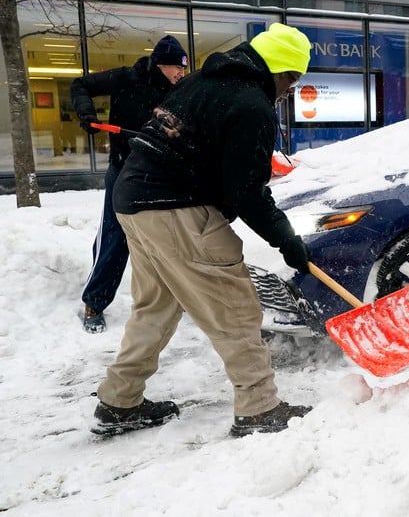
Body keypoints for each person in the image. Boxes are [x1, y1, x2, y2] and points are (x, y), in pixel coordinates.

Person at [91, 23, 314, 438]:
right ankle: (259, 408)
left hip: (134, 201)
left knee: (155, 307)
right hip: (175, 207)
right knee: (235, 306)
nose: (290, 89)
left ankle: (119, 400)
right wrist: (286, 240)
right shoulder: (250, 104)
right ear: (280, 70)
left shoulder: (202, 82)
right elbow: (245, 191)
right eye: (293, 79)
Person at [70, 35, 188, 333]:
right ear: (161, 64)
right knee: (115, 237)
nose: (182, 74)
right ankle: (95, 302)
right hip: (124, 170)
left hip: (160, 173)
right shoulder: (127, 78)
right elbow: (80, 85)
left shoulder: (180, 91)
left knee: (170, 237)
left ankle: (180, 299)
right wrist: (86, 112)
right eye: (178, 67)